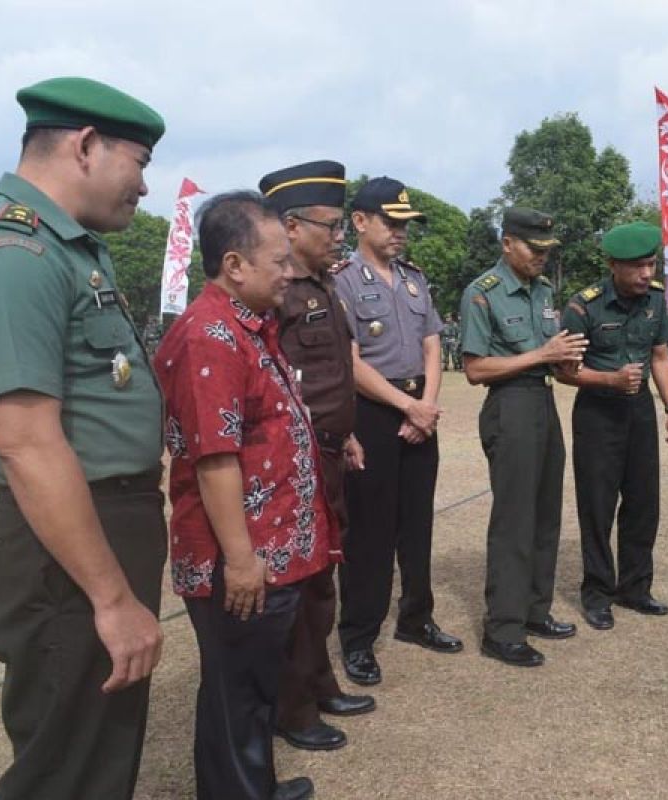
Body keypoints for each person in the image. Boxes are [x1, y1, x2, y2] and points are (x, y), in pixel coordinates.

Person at [0, 77, 167, 800]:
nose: (142, 185)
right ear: (86, 145)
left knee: (98, 752)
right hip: (68, 547)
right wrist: (110, 598)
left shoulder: (72, 248)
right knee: (66, 769)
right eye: (139, 162)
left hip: (98, 526)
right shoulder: (15, 251)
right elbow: (27, 444)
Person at [157, 191, 333, 800]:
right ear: (234, 265)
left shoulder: (247, 327)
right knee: (238, 693)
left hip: (267, 553)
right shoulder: (210, 336)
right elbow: (215, 458)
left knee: (252, 688)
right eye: (279, 261)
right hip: (240, 560)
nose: (291, 272)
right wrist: (239, 560)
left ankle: (250, 784)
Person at [258, 161, 376, 753]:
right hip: (292, 461)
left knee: (322, 579)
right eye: (330, 226)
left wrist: (345, 431)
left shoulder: (326, 285)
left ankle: (320, 681)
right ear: (291, 225)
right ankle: (294, 705)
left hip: (328, 452)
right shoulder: (273, 292)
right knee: (298, 586)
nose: (339, 237)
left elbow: (332, 374)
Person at [332, 177, 462, 686]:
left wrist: (425, 405)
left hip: (418, 413)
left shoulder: (413, 278)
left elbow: (433, 343)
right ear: (360, 222)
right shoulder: (343, 280)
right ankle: (359, 636)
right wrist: (408, 405)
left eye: (405, 224)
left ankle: (416, 617)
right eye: (392, 222)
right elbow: (350, 361)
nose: (401, 233)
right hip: (374, 413)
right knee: (369, 533)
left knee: (416, 525)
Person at [459, 207, 586, 667]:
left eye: (548, 250)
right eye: (534, 249)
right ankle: (504, 628)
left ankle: (536, 610)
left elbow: (552, 357)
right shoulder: (483, 293)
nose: (542, 258)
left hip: (544, 402)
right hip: (509, 405)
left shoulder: (545, 290)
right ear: (507, 243)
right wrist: (541, 354)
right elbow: (475, 370)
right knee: (514, 518)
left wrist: (564, 358)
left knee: (545, 513)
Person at [557, 221, 668, 631]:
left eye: (651, 264)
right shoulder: (583, 307)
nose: (648, 274)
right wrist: (607, 379)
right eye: (638, 267)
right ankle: (597, 592)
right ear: (613, 265)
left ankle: (635, 587)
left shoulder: (656, 300)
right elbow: (564, 370)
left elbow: (660, 356)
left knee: (644, 502)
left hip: (640, 412)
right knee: (597, 506)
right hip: (597, 413)